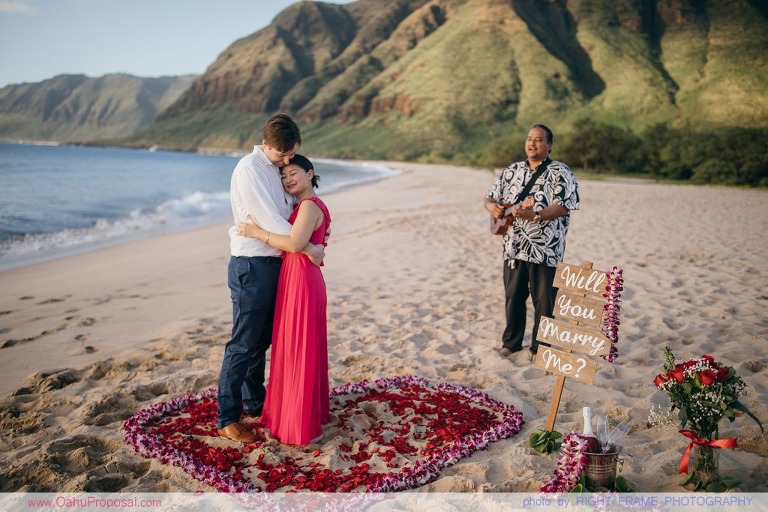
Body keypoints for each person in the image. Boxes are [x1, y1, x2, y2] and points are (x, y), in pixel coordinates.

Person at [217, 114, 324, 443]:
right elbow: (272, 220)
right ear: (266, 144)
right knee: (243, 343)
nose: (287, 160)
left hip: (273, 263)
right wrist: (307, 248)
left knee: (261, 341)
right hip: (252, 264)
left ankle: (255, 401)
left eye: (292, 155)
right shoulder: (250, 169)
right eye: (283, 155)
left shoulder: (273, 168)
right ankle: (227, 417)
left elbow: (290, 211)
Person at [238, 154, 331, 446]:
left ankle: (296, 421)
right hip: (296, 277)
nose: (288, 179)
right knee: (292, 346)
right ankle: (292, 412)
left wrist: (255, 232)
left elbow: (292, 242)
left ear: (310, 173)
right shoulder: (301, 205)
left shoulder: (309, 205)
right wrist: (309, 249)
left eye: (294, 173)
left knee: (297, 348)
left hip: (302, 282)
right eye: (283, 176)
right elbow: (301, 244)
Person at [484, 124, 580, 362]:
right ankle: (511, 344)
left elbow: (565, 204)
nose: (532, 143)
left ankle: (541, 347)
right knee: (513, 297)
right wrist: (491, 206)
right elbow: (490, 195)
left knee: (545, 301)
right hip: (513, 247)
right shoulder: (511, 170)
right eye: (529, 139)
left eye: (538, 139)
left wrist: (536, 216)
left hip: (545, 249)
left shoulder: (561, 172)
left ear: (549, 146)